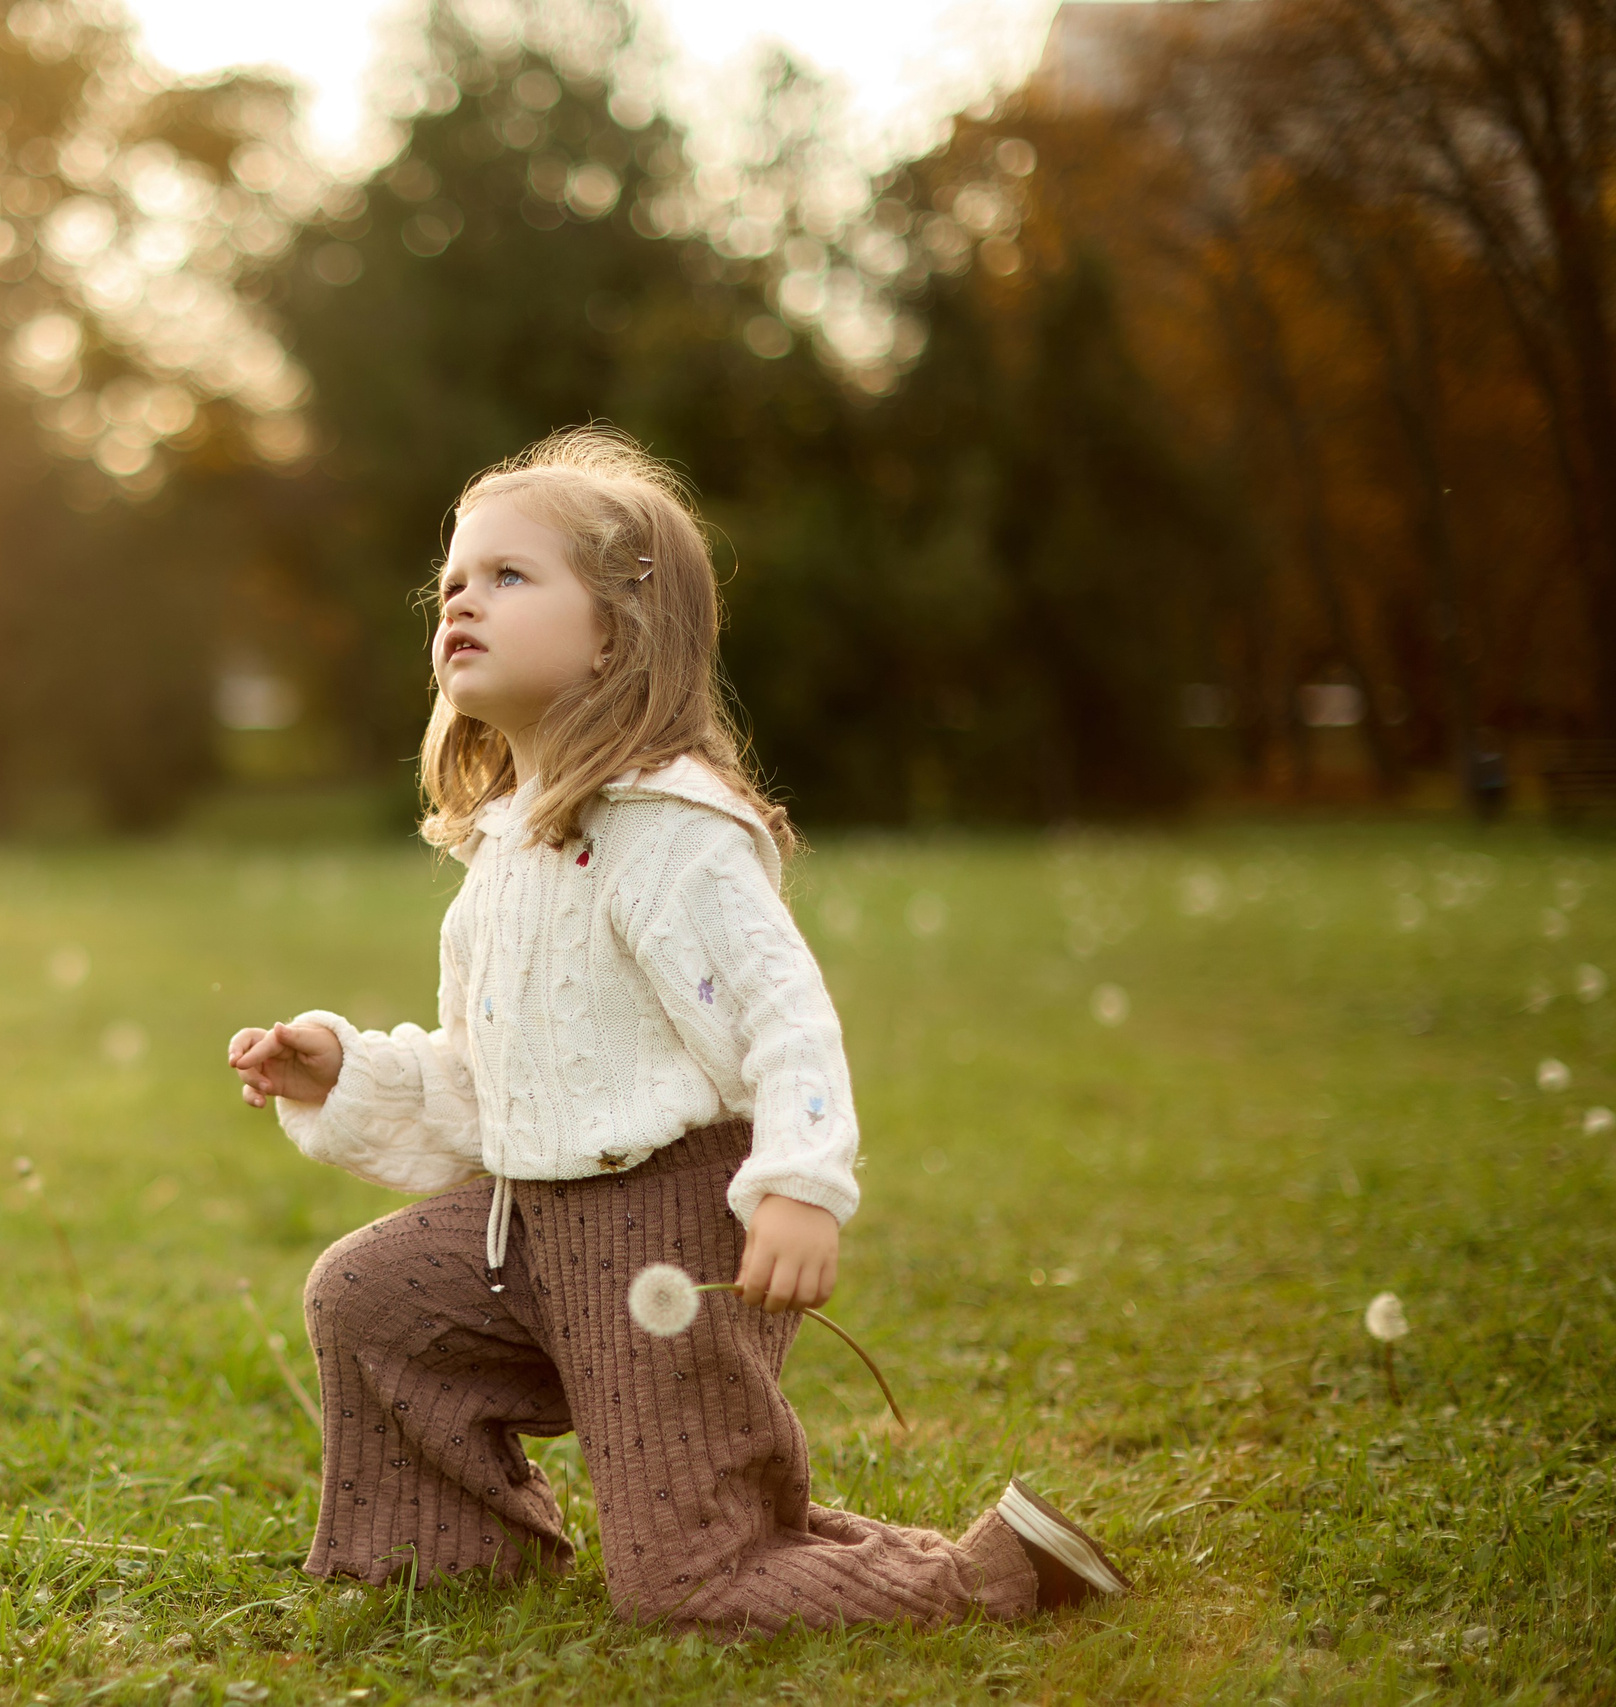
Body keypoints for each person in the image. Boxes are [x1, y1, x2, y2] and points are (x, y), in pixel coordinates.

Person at [224, 428, 1130, 1633]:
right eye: (451, 581)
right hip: (527, 1234)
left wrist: (800, 1184)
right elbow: (493, 1085)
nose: (460, 601)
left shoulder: (671, 831)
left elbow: (785, 1019)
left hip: (667, 1245)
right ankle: (445, 1557)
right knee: (373, 1300)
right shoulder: (508, 844)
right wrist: (348, 1070)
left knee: (692, 1578)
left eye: (508, 576)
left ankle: (998, 1575)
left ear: (615, 632)